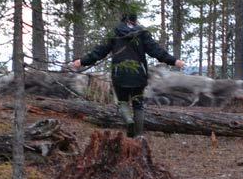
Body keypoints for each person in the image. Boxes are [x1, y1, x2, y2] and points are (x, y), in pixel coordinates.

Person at [71, 10, 184, 138]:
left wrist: (82, 61)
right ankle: (139, 135)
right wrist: (174, 61)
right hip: (139, 75)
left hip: (120, 75)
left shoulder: (114, 33)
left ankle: (129, 122)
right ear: (135, 20)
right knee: (138, 104)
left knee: (123, 102)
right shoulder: (143, 33)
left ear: (123, 19)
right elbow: (156, 51)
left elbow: (99, 52)